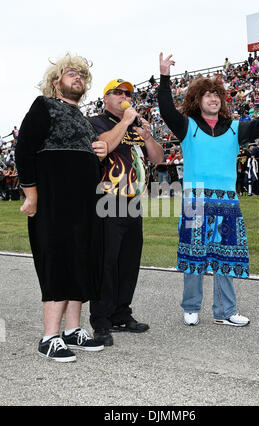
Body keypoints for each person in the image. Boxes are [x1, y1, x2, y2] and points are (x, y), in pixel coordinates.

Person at [158, 53, 259, 327]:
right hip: (195, 200)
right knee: (194, 254)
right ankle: (191, 307)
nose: (213, 99)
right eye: (207, 95)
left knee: (224, 256)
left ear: (221, 100)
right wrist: (165, 77)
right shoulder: (187, 126)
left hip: (227, 201)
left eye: (216, 95)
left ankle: (225, 311)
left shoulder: (234, 129)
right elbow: (167, 110)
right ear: (197, 100)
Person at [15, 53, 107, 362]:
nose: (78, 77)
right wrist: (31, 194)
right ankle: (49, 338)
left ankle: (72, 330)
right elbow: (24, 149)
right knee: (57, 263)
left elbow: (93, 158)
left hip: (85, 205)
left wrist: (102, 149)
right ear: (56, 82)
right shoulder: (44, 106)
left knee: (82, 260)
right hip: (55, 203)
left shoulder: (83, 117)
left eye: (82, 75)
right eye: (71, 73)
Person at [88, 78, 163, 346]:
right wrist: (125, 121)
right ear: (105, 97)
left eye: (127, 93)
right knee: (106, 261)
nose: (123, 95)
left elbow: (158, 159)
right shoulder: (96, 122)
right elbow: (104, 146)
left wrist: (147, 136)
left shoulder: (134, 126)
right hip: (107, 198)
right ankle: (101, 320)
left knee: (129, 260)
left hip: (132, 200)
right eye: (117, 92)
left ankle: (121, 313)